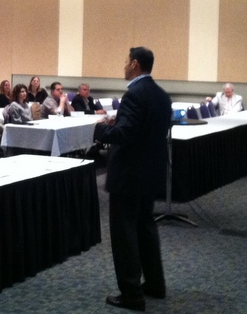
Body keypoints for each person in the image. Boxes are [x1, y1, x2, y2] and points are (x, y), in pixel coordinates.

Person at [94, 47, 170, 311]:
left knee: (124, 234)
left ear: (135, 64)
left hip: (129, 175)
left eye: (127, 61)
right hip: (151, 172)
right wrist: (120, 123)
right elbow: (145, 130)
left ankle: (131, 293)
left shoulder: (133, 95)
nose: (124, 66)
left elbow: (125, 134)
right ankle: (155, 284)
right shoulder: (161, 95)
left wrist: (100, 130)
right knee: (146, 227)